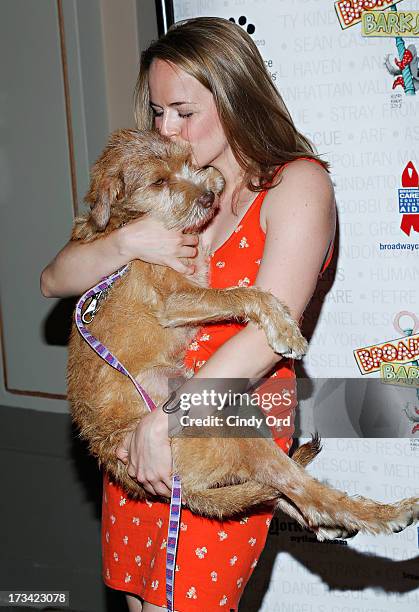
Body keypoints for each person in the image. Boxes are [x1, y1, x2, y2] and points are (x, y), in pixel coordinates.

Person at [41, 16, 336, 612]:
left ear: (233, 96)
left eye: (183, 110)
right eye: (156, 112)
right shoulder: (171, 191)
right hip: (138, 426)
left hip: (222, 427)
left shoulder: (296, 186)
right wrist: (126, 242)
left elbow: (266, 338)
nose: (167, 129)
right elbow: (55, 278)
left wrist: (167, 423)